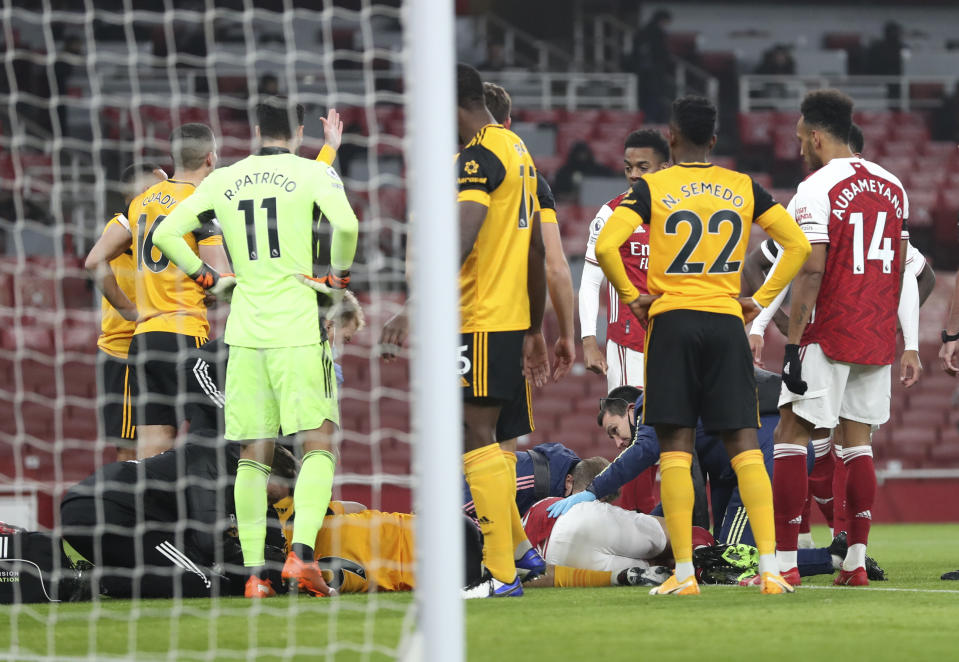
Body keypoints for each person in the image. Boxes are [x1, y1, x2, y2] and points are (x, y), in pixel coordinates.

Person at [594, 95, 811, 595]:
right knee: (744, 447)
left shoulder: (653, 186)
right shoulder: (742, 187)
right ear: (714, 140)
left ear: (670, 137)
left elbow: (607, 245)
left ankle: (685, 575)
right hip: (724, 321)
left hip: (671, 322)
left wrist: (633, 299)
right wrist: (758, 299)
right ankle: (772, 571)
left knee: (674, 448)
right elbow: (797, 245)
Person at [153, 99, 358, 599]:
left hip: (244, 332)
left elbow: (166, 232)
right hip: (298, 329)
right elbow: (347, 226)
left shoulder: (225, 178)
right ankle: (302, 559)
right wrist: (337, 280)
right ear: (297, 132)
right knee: (319, 442)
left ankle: (254, 577)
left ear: (255, 131)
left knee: (253, 455)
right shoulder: (310, 174)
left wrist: (210, 279)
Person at [774, 89, 908, 588]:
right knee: (858, 444)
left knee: (790, 437)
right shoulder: (894, 186)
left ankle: (785, 563)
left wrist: (791, 340)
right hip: (873, 330)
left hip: (827, 328)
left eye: (799, 139)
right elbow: (899, 263)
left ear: (814, 135)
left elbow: (810, 269)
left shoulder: (815, 187)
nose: (799, 148)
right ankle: (854, 563)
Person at [450, 63, 551, 598]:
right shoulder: (518, 151)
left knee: (473, 434)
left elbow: (463, 237)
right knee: (487, 438)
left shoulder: (476, 157)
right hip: (510, 319)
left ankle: (499, 573)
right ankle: (519, 553)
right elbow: (535, 248)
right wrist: (534, 325)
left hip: (481, 317)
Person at [84, 123, 230, 459]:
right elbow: (219, 278)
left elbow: (94, 262)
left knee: (151, 445)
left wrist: (130, 313)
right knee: (216, 431)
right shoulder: (200, 202)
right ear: (210, 158)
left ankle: (144, 511)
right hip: (184, 333)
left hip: (144, 338)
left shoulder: (140, 204)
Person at [59, 441, 297, 599]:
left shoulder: (218, 464)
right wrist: (257, 567)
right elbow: (208, 543)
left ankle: (93, 576)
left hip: (90, 511)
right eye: (268, 496)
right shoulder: (213, 465)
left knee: (200, 570)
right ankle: (97, 582)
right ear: (262, 468)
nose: (263, 505)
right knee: (206, 583)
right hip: (111, 512)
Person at [483, 82, 575, 384]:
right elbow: (556, 265)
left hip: (464, 319)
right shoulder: (533, 182)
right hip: (512, 322)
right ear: (507, 124)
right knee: (501, 426)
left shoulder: (453, 171)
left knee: (468, 427)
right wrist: (565, 336)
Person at [85, 162, 168, 462]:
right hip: (123, 351)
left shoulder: (158, 227)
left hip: (153, 344)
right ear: (146, 192)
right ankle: (128, 508)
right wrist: (131, 312)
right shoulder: (124, 225)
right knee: (130, 449)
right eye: (164, 185)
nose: (171, 190)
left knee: (160, 441)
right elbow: (94, 263)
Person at [580, 129, 670, 389]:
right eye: (628, 167)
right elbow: (590, 281)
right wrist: (588, 341)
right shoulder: (611, 214)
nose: (633, 175)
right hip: (629, 344)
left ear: (664, 168)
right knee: (630, 427)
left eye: (643, 167)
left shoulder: (682, 216)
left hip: (676, 342)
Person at [462, 442, 580, 521]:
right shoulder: (530, 480)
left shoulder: (555, 478)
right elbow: (460, 510)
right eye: (576, 499)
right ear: (569, 481)